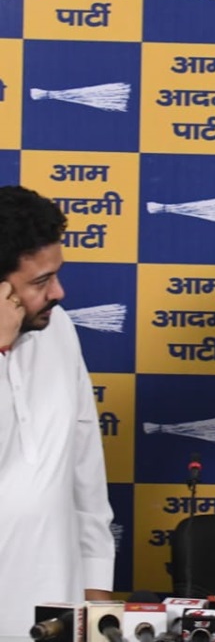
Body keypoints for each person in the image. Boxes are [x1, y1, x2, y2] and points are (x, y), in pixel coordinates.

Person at [0, 186, 115, 636]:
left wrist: (98, 597)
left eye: (56, 275)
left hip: (57, 612)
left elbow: (86, 469)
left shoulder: (59, 328)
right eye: (40, 282)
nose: (59, 292)